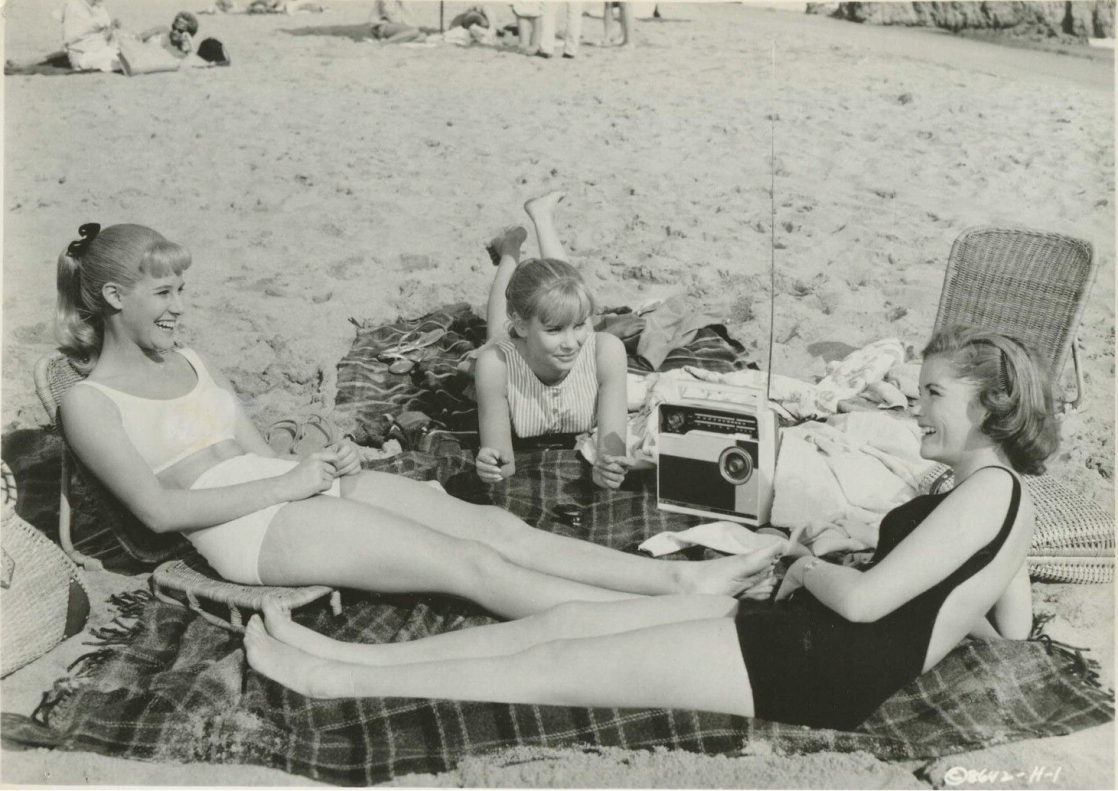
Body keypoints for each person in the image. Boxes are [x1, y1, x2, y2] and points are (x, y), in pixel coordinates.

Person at [245, 325, 1056, 730]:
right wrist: (927, 584)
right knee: (564, 623)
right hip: (801, 634)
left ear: (989, 407)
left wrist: (811, 563)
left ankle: (336, 680)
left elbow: (865, 605)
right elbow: (1013, 623)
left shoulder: (983, 494)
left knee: (558, 666)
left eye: (933, 397)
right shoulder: (1005, 496)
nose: (917, 408)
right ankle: (340, 651)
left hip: (817, 664)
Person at [55, 223, 779, 624]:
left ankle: (678, 581)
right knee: (470, 566)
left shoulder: (192, 358)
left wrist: (322, 462)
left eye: (182, 289)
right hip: (243, 530)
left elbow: (251, 448)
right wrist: (293, 480)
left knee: (497, 529)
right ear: (115, 295)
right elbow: (158, 513)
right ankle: (674, 614)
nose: (180, 307)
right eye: (164, 292)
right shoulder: (91, 401)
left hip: (290, 487)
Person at [475, 191, 632, 491]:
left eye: (580, 325)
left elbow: (613, 447)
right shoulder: (497, 365)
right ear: (520, 325)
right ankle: (510, 249)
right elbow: (503, 464)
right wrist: (490, 464)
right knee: (497, 332)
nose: (571, 343)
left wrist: (610, 466)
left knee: (563, 290)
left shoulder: (605, 351)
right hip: (513, 346)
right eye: (554, 331)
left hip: (551, 314)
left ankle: (542, 216)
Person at [62, 0, 122, 73]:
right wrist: (95, 25)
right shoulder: (74, 7)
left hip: (97, 50)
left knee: (121, 55)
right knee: (117, 60)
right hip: (81, 56)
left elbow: (102, 38)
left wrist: (111, 27)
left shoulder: (98, 6)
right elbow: (72, 40)